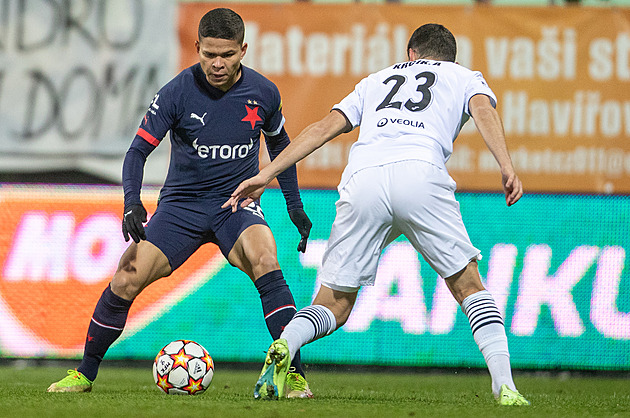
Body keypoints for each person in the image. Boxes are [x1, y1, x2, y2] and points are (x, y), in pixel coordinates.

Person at [224, 24, 530, 406]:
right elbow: (483, 110)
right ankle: (505, 386)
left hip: (363, 180)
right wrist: (506, 165)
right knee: (469, 287)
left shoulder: (376, 80)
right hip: (421, 176)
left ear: (410, 53)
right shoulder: (465, 77)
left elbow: (322, 129)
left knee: (333, 303)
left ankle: (287, 343)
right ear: (449, 57)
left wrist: (265, 174)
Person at [47, 8, 314, 399]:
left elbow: (281, 147)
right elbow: (137, 151)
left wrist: (294, 205)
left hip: (235, 206)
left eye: (226, 54)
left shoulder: (264, 92)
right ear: (197, 48)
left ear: (243, 49)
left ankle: (293, 376)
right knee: (126, 276)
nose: (217, 63)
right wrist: (131, 201)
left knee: (266, 260)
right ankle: (84, 374)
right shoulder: (177, 92)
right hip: (181, 208)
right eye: (208, 54)